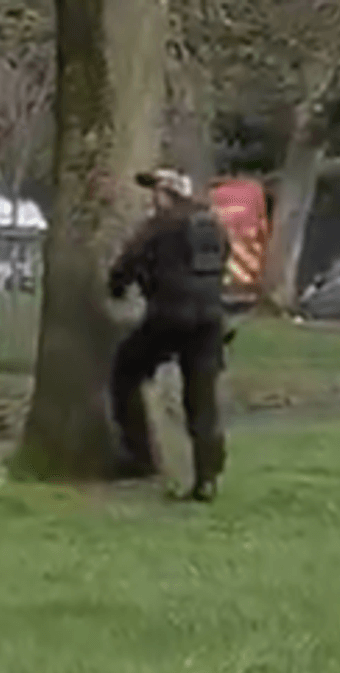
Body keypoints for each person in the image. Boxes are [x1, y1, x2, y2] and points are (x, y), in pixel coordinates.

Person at [108, 169, 230, 501]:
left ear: (169, 195)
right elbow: (224, 263)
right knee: (202, 399)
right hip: (209, 320)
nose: (153, 197)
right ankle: (207, 479)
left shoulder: (159, 225)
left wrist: (117, 287)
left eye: (158, 191)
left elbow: (127, 264)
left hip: (169, 316)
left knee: (126, 371)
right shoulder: (213, 225)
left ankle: (139, 456)